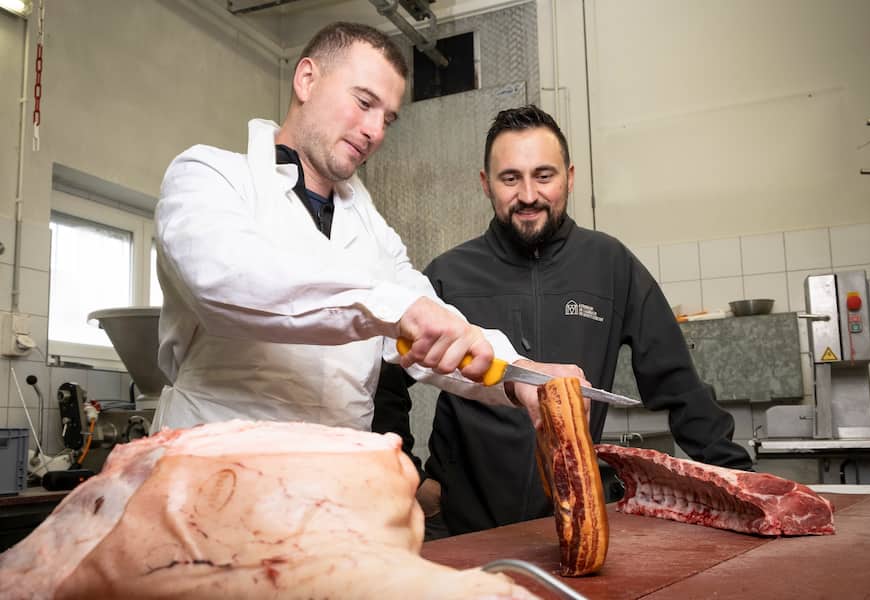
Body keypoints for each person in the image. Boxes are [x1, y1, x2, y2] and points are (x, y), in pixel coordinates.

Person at [150, 24, 586, 434]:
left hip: (341, 473)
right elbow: (227, 280)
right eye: (363, 103)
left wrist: (519, 373)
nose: (375, 131)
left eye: (388, 119)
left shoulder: (373, 231)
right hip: (214, 465)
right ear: (306, 80)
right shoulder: (208, 176)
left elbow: (439, 332)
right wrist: (396, 309)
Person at [374, 105, 754, 538]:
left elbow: (679, 385)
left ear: (569, 178)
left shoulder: (610, 265)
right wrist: (410, 477)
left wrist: (743, 484)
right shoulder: (448, 274)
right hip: (463, 525)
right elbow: (385, 378)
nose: (528, 195)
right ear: (485, 183)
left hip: (575, 522)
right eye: (510, 178)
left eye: (544, 175)